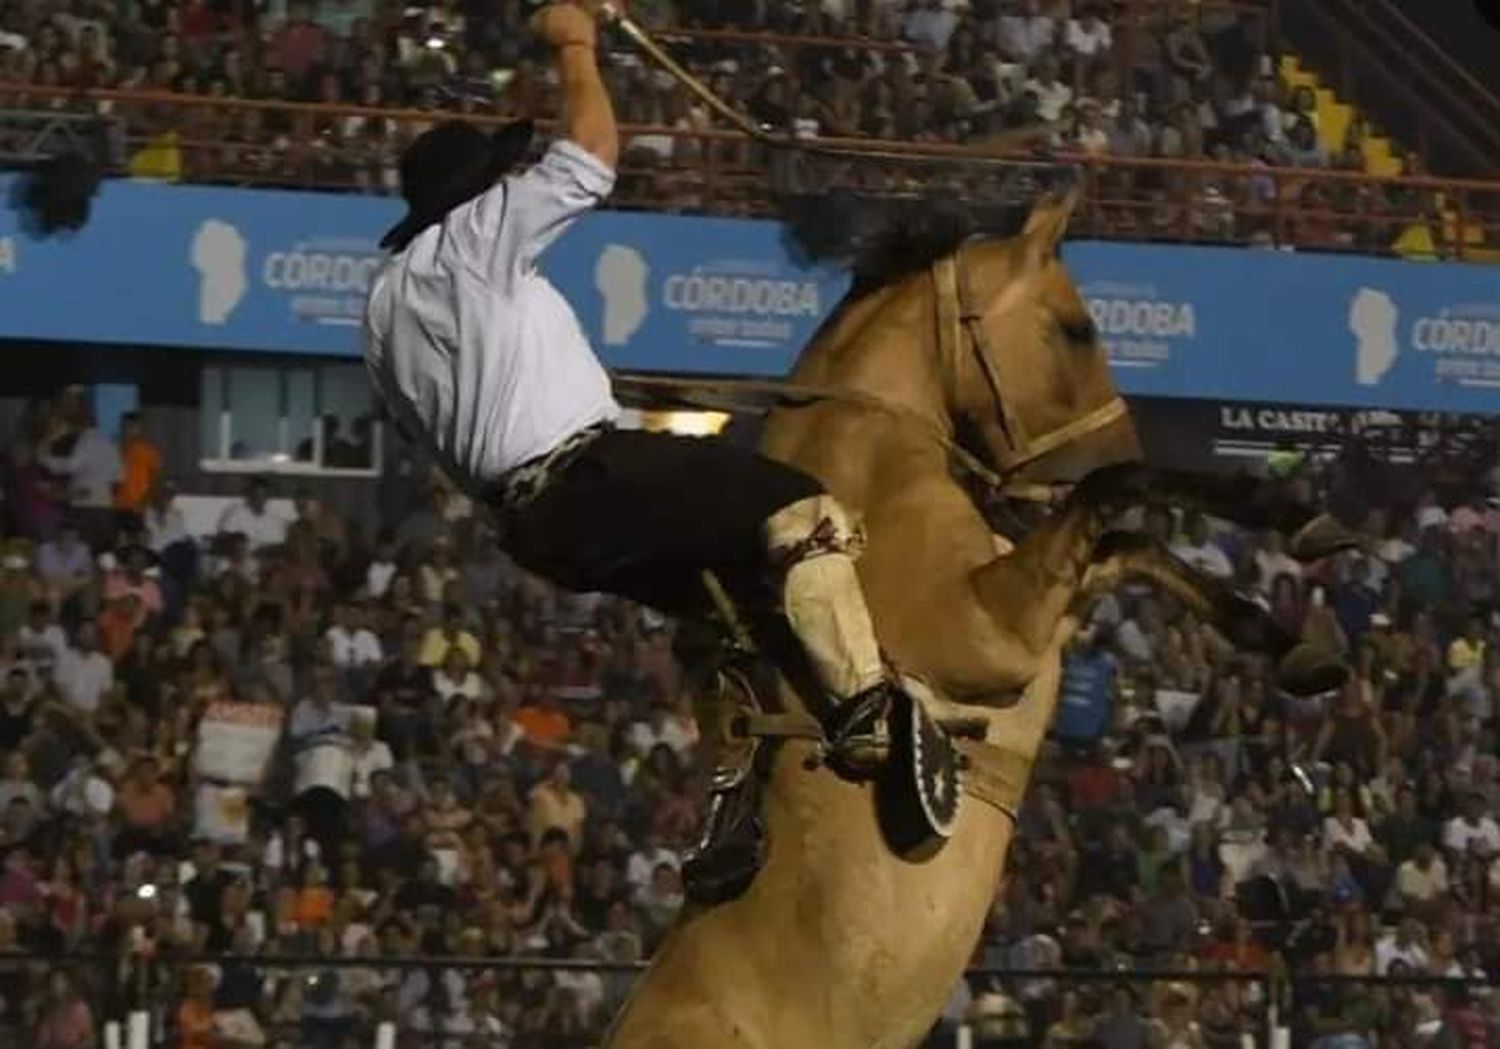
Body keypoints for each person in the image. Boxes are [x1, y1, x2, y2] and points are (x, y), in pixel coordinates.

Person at [363, 0, 915, 777]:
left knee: (732, 609)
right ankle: (865, 710)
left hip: (536, 529)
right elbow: (590, 156)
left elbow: (456, 420)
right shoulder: (471, 241)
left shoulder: (385, 304)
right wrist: (575, 45)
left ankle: (741, 782)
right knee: (803, 512)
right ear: (474, 193)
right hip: (589, 478)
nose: (508, 185)